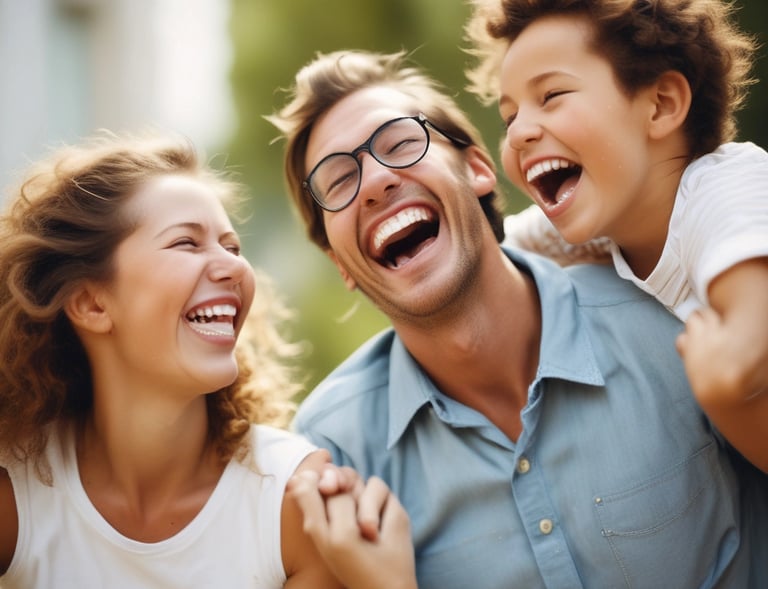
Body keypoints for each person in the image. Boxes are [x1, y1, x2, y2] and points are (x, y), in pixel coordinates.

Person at [268, 49, 767, 588]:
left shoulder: (668, 314)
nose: (374, 183)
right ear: (340, 263)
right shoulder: (332, 457)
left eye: (401, 143)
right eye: (339, 182)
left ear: (479, 171)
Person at [0, 131, 414, 589]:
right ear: (91, 304)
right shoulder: (14, 494)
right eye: (186, 244)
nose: (235, 267)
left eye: (232, 247)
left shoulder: (293, 501)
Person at [464, 0, 768, 472]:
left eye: (551, 95)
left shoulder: (725, 187)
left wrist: (730, 368)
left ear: (661, 105)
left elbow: (752, 326)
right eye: (509, 117)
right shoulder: (595, 228)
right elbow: (488, 262)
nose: (519, 132)